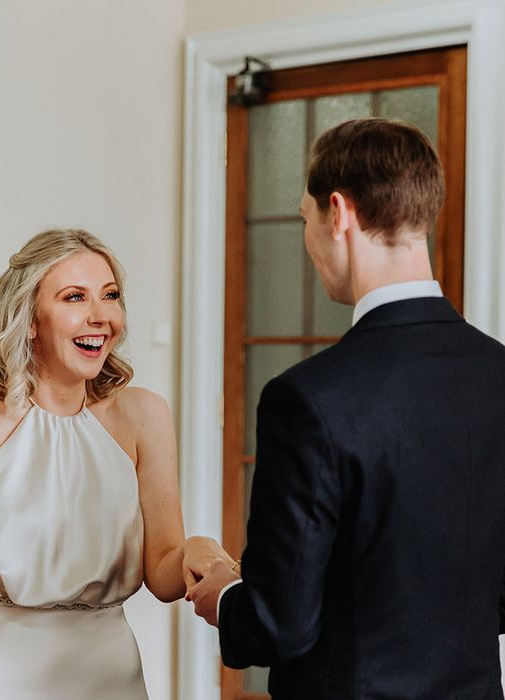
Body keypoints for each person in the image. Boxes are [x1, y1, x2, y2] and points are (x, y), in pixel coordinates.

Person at [187, 118, 505, 699]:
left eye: (305, 220)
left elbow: (276, 628)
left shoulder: (309, 400)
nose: (307, 243)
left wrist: (226, 595)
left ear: (340, 213)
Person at [0, 228, 230, 699]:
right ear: (31, 318)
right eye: (74, 297)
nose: (100, 317)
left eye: (111, 295)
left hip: (111, 675)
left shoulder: (144, 415)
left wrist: (198, 548)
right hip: (0, 675)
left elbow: (163, 574)